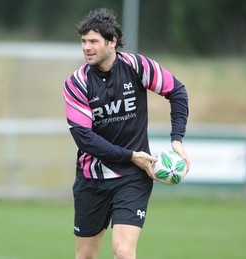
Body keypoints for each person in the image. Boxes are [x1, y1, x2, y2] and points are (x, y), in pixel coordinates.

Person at [63, 8, 190, 259]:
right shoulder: (76, 83)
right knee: (86, 256)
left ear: (112, 42)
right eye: (84, 41)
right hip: (93, 177)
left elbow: (177, 91)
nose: (86, 47)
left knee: (123, 251)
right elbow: (85, 139)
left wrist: (177, 139)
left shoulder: (136, 66)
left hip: (133, 176)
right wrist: (132, 155)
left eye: (93, 41)